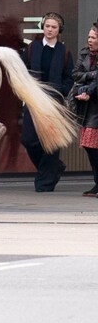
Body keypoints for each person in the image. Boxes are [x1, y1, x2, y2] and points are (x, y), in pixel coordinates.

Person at [21, 12, 73, 192]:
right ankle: (53, 168)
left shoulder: (64, 51)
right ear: (42, 27)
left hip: (54, 103)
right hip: (34, 101)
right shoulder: (31, 48)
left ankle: (45, 182)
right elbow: (22, 72)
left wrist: (60, 92)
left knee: (52, 144)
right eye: (47, 26)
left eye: (54, 27)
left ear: (60, 30)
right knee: (28, 139)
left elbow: (69, 78)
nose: (49, 30)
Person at [72, 22, 98, 197]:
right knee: (90, 147)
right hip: (86, 106)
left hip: (95, 103)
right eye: (89, 37)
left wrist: (88, 90)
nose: (89, 40)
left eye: (93, 37)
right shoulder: (84, 54)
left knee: (94, 146)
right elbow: (75, 74)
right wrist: (91, 75)